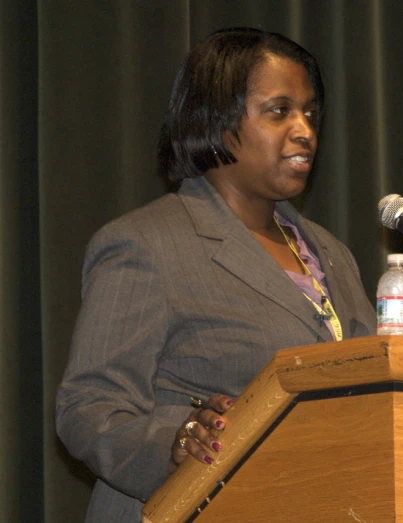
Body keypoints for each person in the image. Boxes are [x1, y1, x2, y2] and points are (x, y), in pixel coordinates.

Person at [55, 27, 376, 522]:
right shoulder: (147, 244)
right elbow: (89, 408)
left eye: (310, 112)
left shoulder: (331, 253)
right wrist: (176, 443)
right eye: (279, 110)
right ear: (218, 121)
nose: (305, 130)